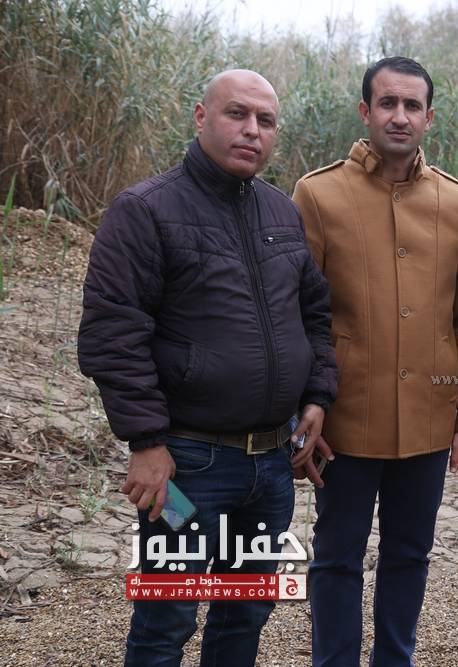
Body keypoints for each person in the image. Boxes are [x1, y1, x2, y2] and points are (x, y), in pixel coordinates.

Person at [77, 69, 337, 667]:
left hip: (271, 468)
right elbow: (113, 334)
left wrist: (317, 397)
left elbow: (316, 316)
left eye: (265, 121)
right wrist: (146, 443)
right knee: (167, 616)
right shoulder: (145, 210)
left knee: (245, 612)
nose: (252, 131)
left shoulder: (281, 213)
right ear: (201, 117)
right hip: (186, 465)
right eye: (236, 114)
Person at [291, 56, 458, 667]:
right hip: (344, 419)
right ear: (365, 111)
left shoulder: (456, 202)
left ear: (429, 117)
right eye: (387, 103)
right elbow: (301, 315)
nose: (399, 116)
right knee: (336, 556)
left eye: (412, 106)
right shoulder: (318, 194)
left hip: (429, 422)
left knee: (409, 554)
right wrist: (305, 408)